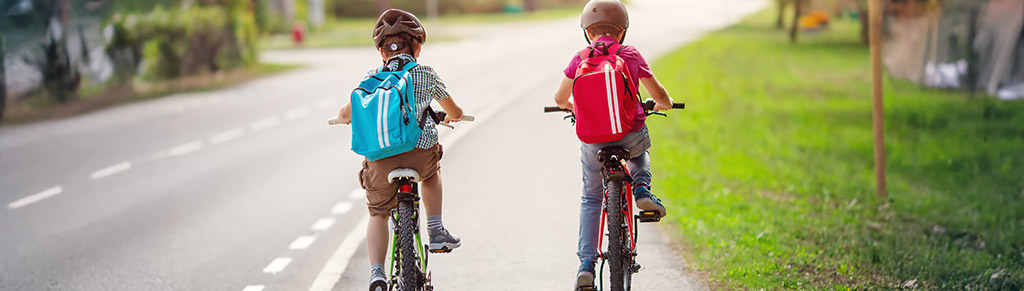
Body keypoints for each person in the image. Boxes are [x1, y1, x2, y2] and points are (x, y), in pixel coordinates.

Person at [332, 8, 464, 291]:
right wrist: (454, 115)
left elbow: (347, 112)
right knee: (432, 171)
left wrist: (342, 118)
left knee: (378, 213)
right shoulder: (425, 73)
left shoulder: (371, 77)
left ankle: (377, 274)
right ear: (417, 46)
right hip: (419, 156)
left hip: (380, 163)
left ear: (382, 52)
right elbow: (454, 109)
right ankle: (436, 229)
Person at [550, 0, 675, 288]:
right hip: (629, 135)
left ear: (587, 32)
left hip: (593, 143)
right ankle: (642, 188)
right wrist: (663, 103)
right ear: (622, 31)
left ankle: (586, 265)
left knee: (592, 198)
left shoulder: (580, 57)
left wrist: (572, 108)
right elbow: (659, 94)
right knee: (640, 150)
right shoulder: (629, 53)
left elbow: (559, 98)